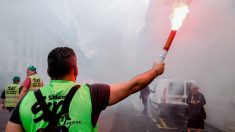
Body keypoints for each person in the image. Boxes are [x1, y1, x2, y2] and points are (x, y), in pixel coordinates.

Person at [6, 47, 165, 132]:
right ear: (76, 70)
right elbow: (133, 86)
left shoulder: (25, 102)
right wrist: (155, 70)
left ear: (48, 72)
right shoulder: (92, 94)